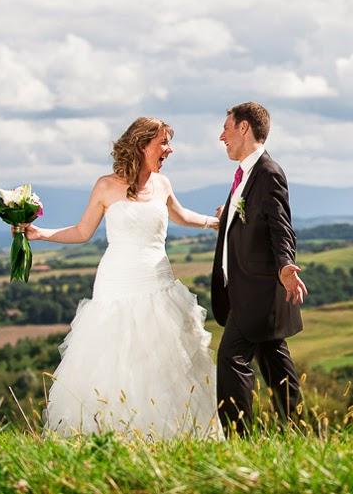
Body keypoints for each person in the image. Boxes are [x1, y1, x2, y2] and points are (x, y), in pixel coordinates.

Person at [16, 117, 222, 439]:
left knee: (166, 361)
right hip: (115, 283)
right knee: (114, 360)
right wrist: (41, 233)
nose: (170, 149)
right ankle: (111, 437)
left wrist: (215, 222)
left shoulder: (163, 184)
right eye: (164, 142)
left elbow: (181, 216)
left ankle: (170, 436)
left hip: (159, 283)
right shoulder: (104, 185)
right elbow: (82, 232)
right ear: (142, 145)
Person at [212, 102, 307, 437]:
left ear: (244, 128)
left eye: (226, 127)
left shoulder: (267, 172)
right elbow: (257, 219)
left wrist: (285, 265)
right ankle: (298, 431)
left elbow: (281, 227)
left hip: (259, 290)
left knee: (231, 360)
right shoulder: (246, 173)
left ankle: (240, 440)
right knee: (274, 361)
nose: (221, 136)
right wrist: (228, 217)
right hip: (244, 290)